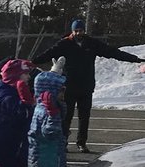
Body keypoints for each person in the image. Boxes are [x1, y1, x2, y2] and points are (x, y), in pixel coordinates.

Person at [32, 18, 143, 152]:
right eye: (76, 31)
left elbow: (112, 52)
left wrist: (134, 59)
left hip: (86, 85)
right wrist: (33, 62)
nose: (79, 33)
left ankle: (81, 142)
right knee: (66, 116)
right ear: (72, 31)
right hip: (69, 86)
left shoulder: (92, 43)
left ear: (85, 30)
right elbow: (49, 53)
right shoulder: (65, 44)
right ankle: (63, 141)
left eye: (81, 30)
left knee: (84, 117)